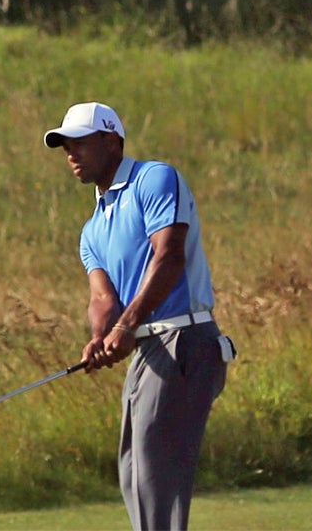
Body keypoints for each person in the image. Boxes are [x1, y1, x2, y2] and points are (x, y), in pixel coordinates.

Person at [48, 102, 231, 531]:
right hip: (149, 348)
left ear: (112, 141)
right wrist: (101, 338)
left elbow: (168, 257)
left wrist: (126, 326)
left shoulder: (154, 178)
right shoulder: (92, 229)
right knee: (135, 470)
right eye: (65, 147)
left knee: (154, 470)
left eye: (81, 143)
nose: (71, 154)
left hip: (185, 339)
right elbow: (102, 299)